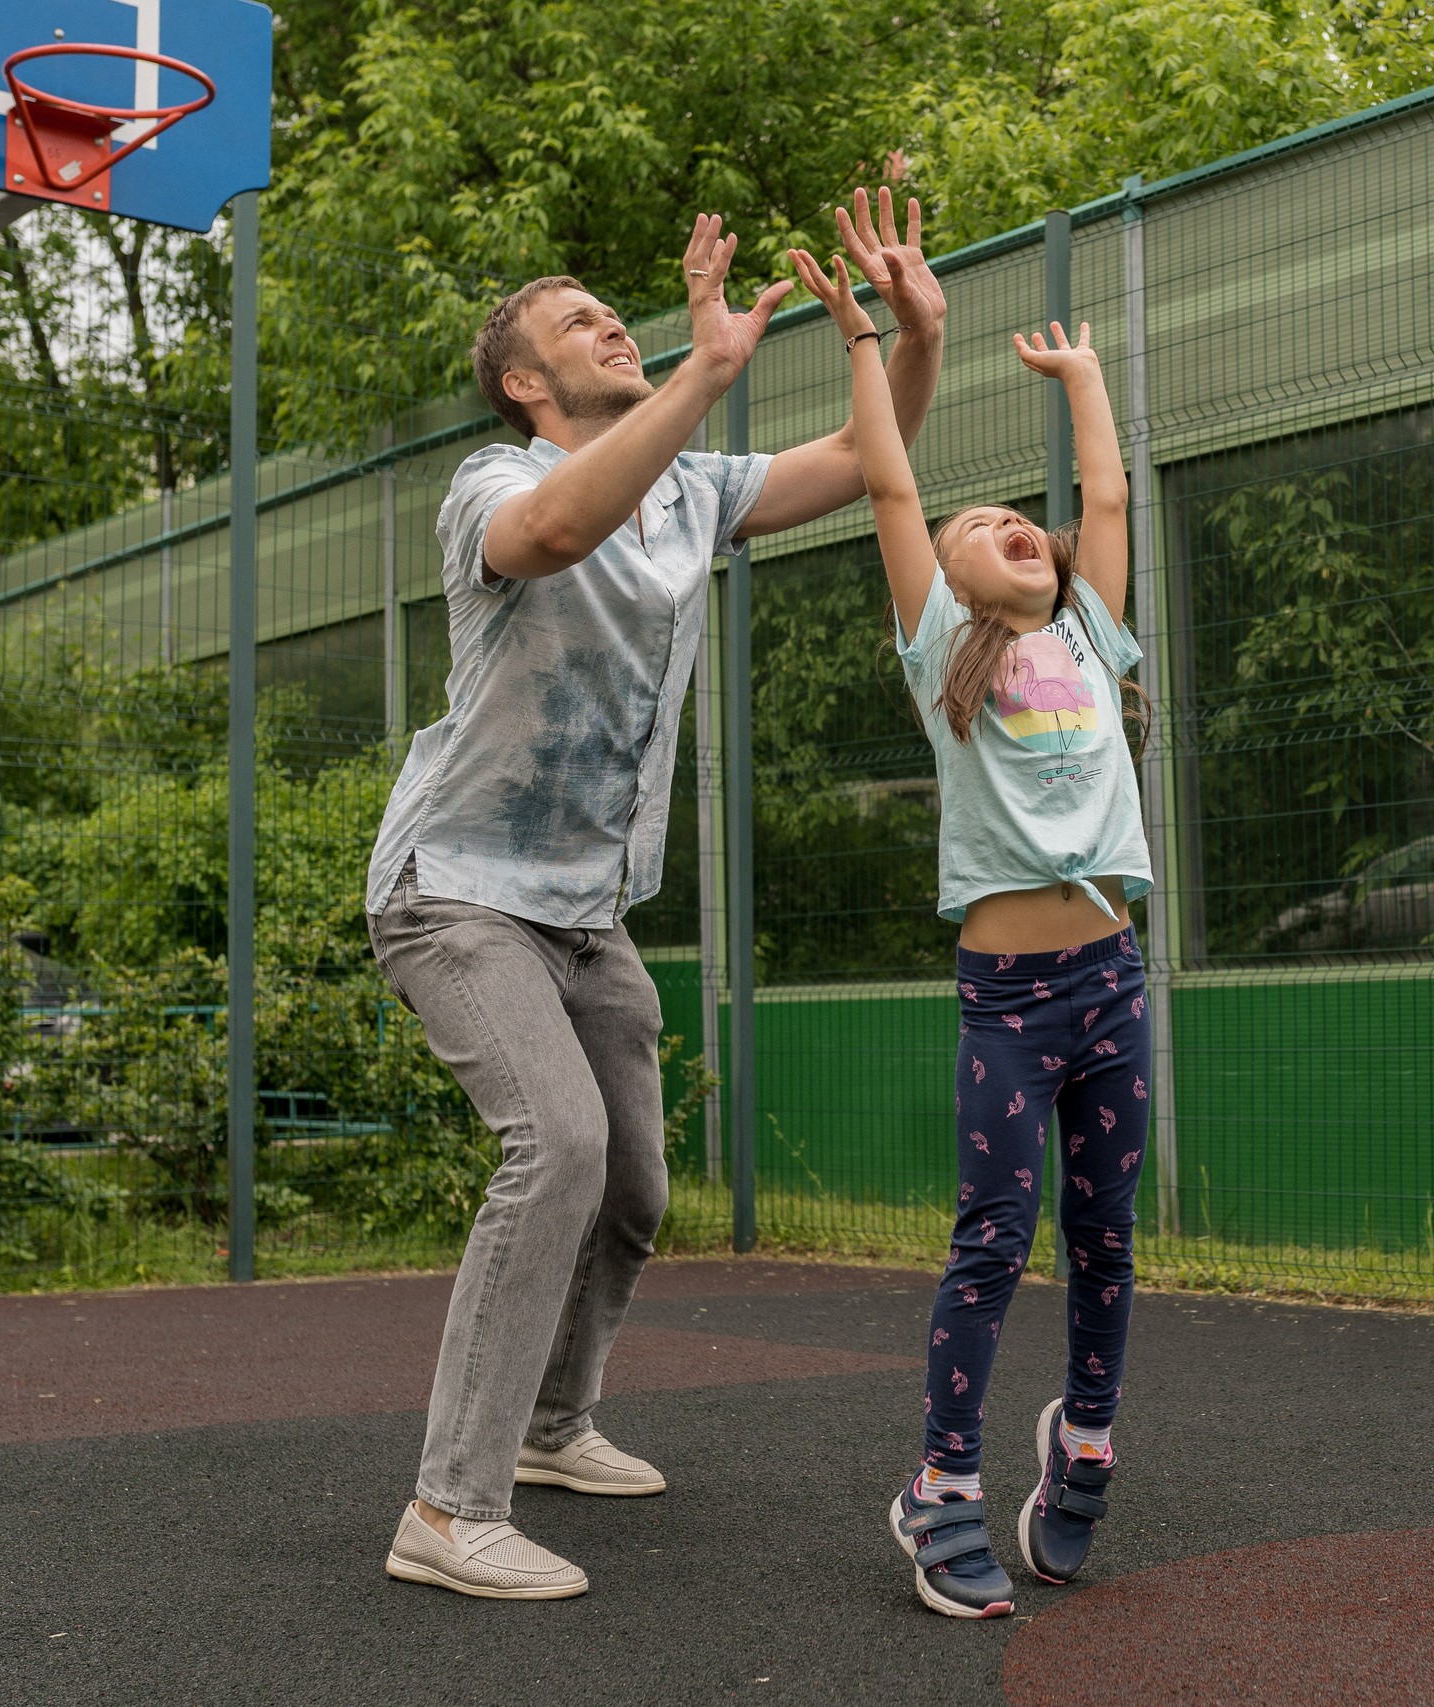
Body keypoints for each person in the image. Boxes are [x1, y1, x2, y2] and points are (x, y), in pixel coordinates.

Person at [368, 193, 948, 1602]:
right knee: (554, 1150)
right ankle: (449, 1509)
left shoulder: (691, 485)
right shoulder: (491, 485)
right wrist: (704, 371)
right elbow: (561, 532)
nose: (611, 323)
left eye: (614, 312)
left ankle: (559, 1429)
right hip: (457, 894)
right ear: (522, 381)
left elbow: (872, 458)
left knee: (632, 1183)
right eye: (579, 320)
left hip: (588, 912)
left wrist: (918, 338)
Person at [786, 242, 1150, 1620]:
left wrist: (1085, 378)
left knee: (1106, 1236)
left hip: (1112, 981)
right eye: (983, 521)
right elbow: (890, 482)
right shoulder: (947, 653)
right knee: (996, 1236)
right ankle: (941, 1483)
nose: (1019, 523)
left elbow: (1102, 493)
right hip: (1009, 999)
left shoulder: (1094, 638)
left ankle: (1089, 1433)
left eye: (1025, 521)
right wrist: (867, 344)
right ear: (943, 579)